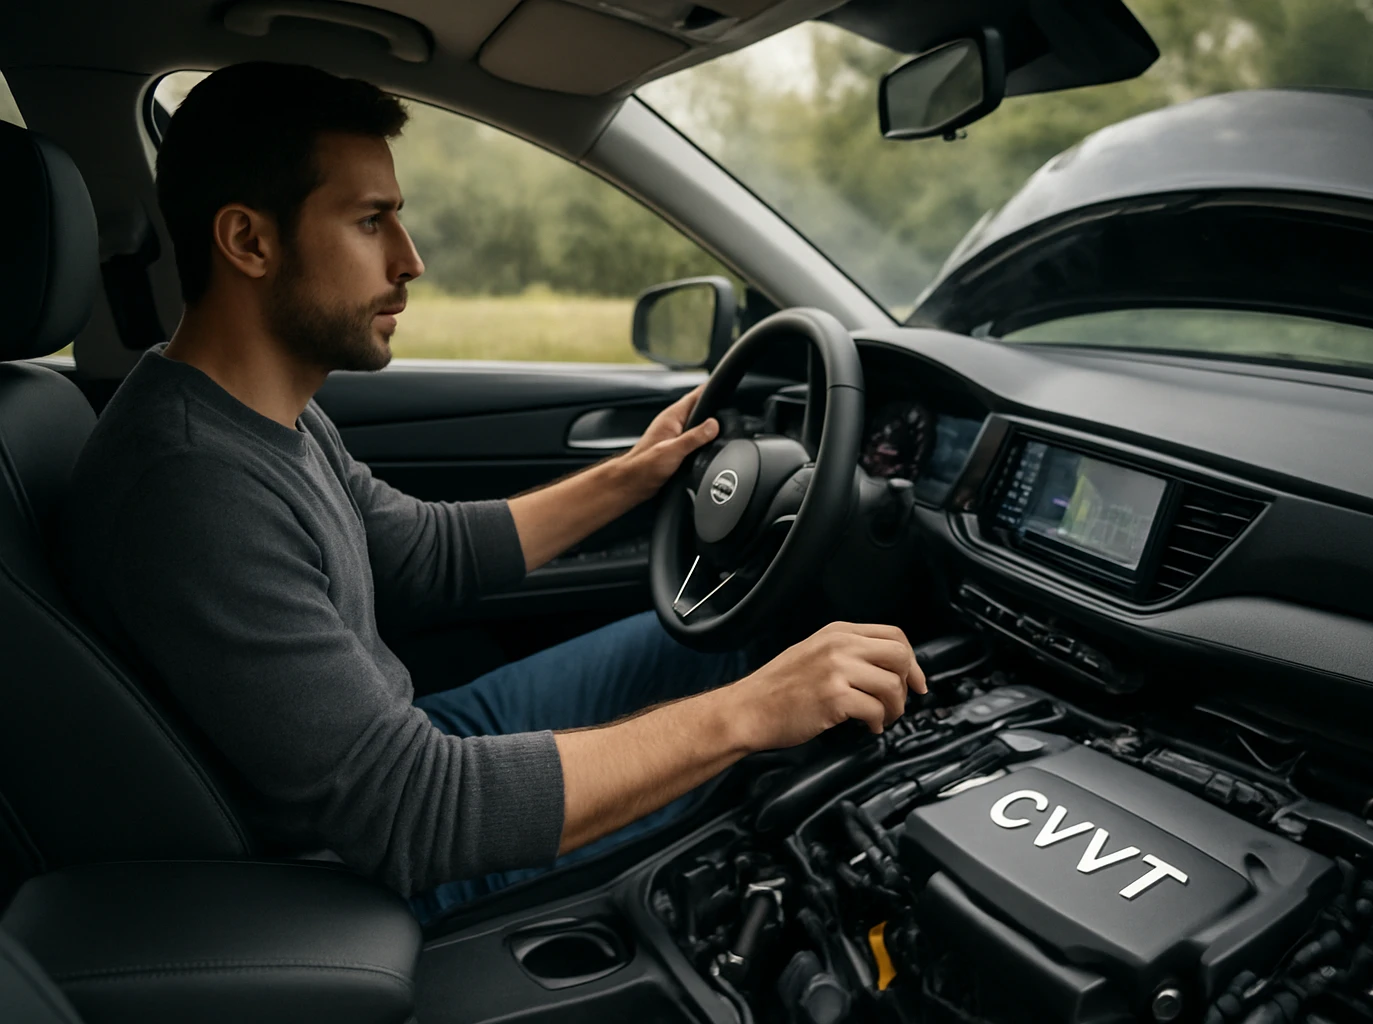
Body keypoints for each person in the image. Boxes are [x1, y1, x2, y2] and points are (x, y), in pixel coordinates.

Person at [62, 62, 925, 920]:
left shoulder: (249, 410)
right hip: (351, 873)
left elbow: (420, 552)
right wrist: (750, 715)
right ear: (249, 242)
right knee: (763, 750)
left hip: (411, 752)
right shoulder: (191, 486)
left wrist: (633, 475)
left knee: (724, 647)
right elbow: (413, 813)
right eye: (371, 221)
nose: (410, 260)